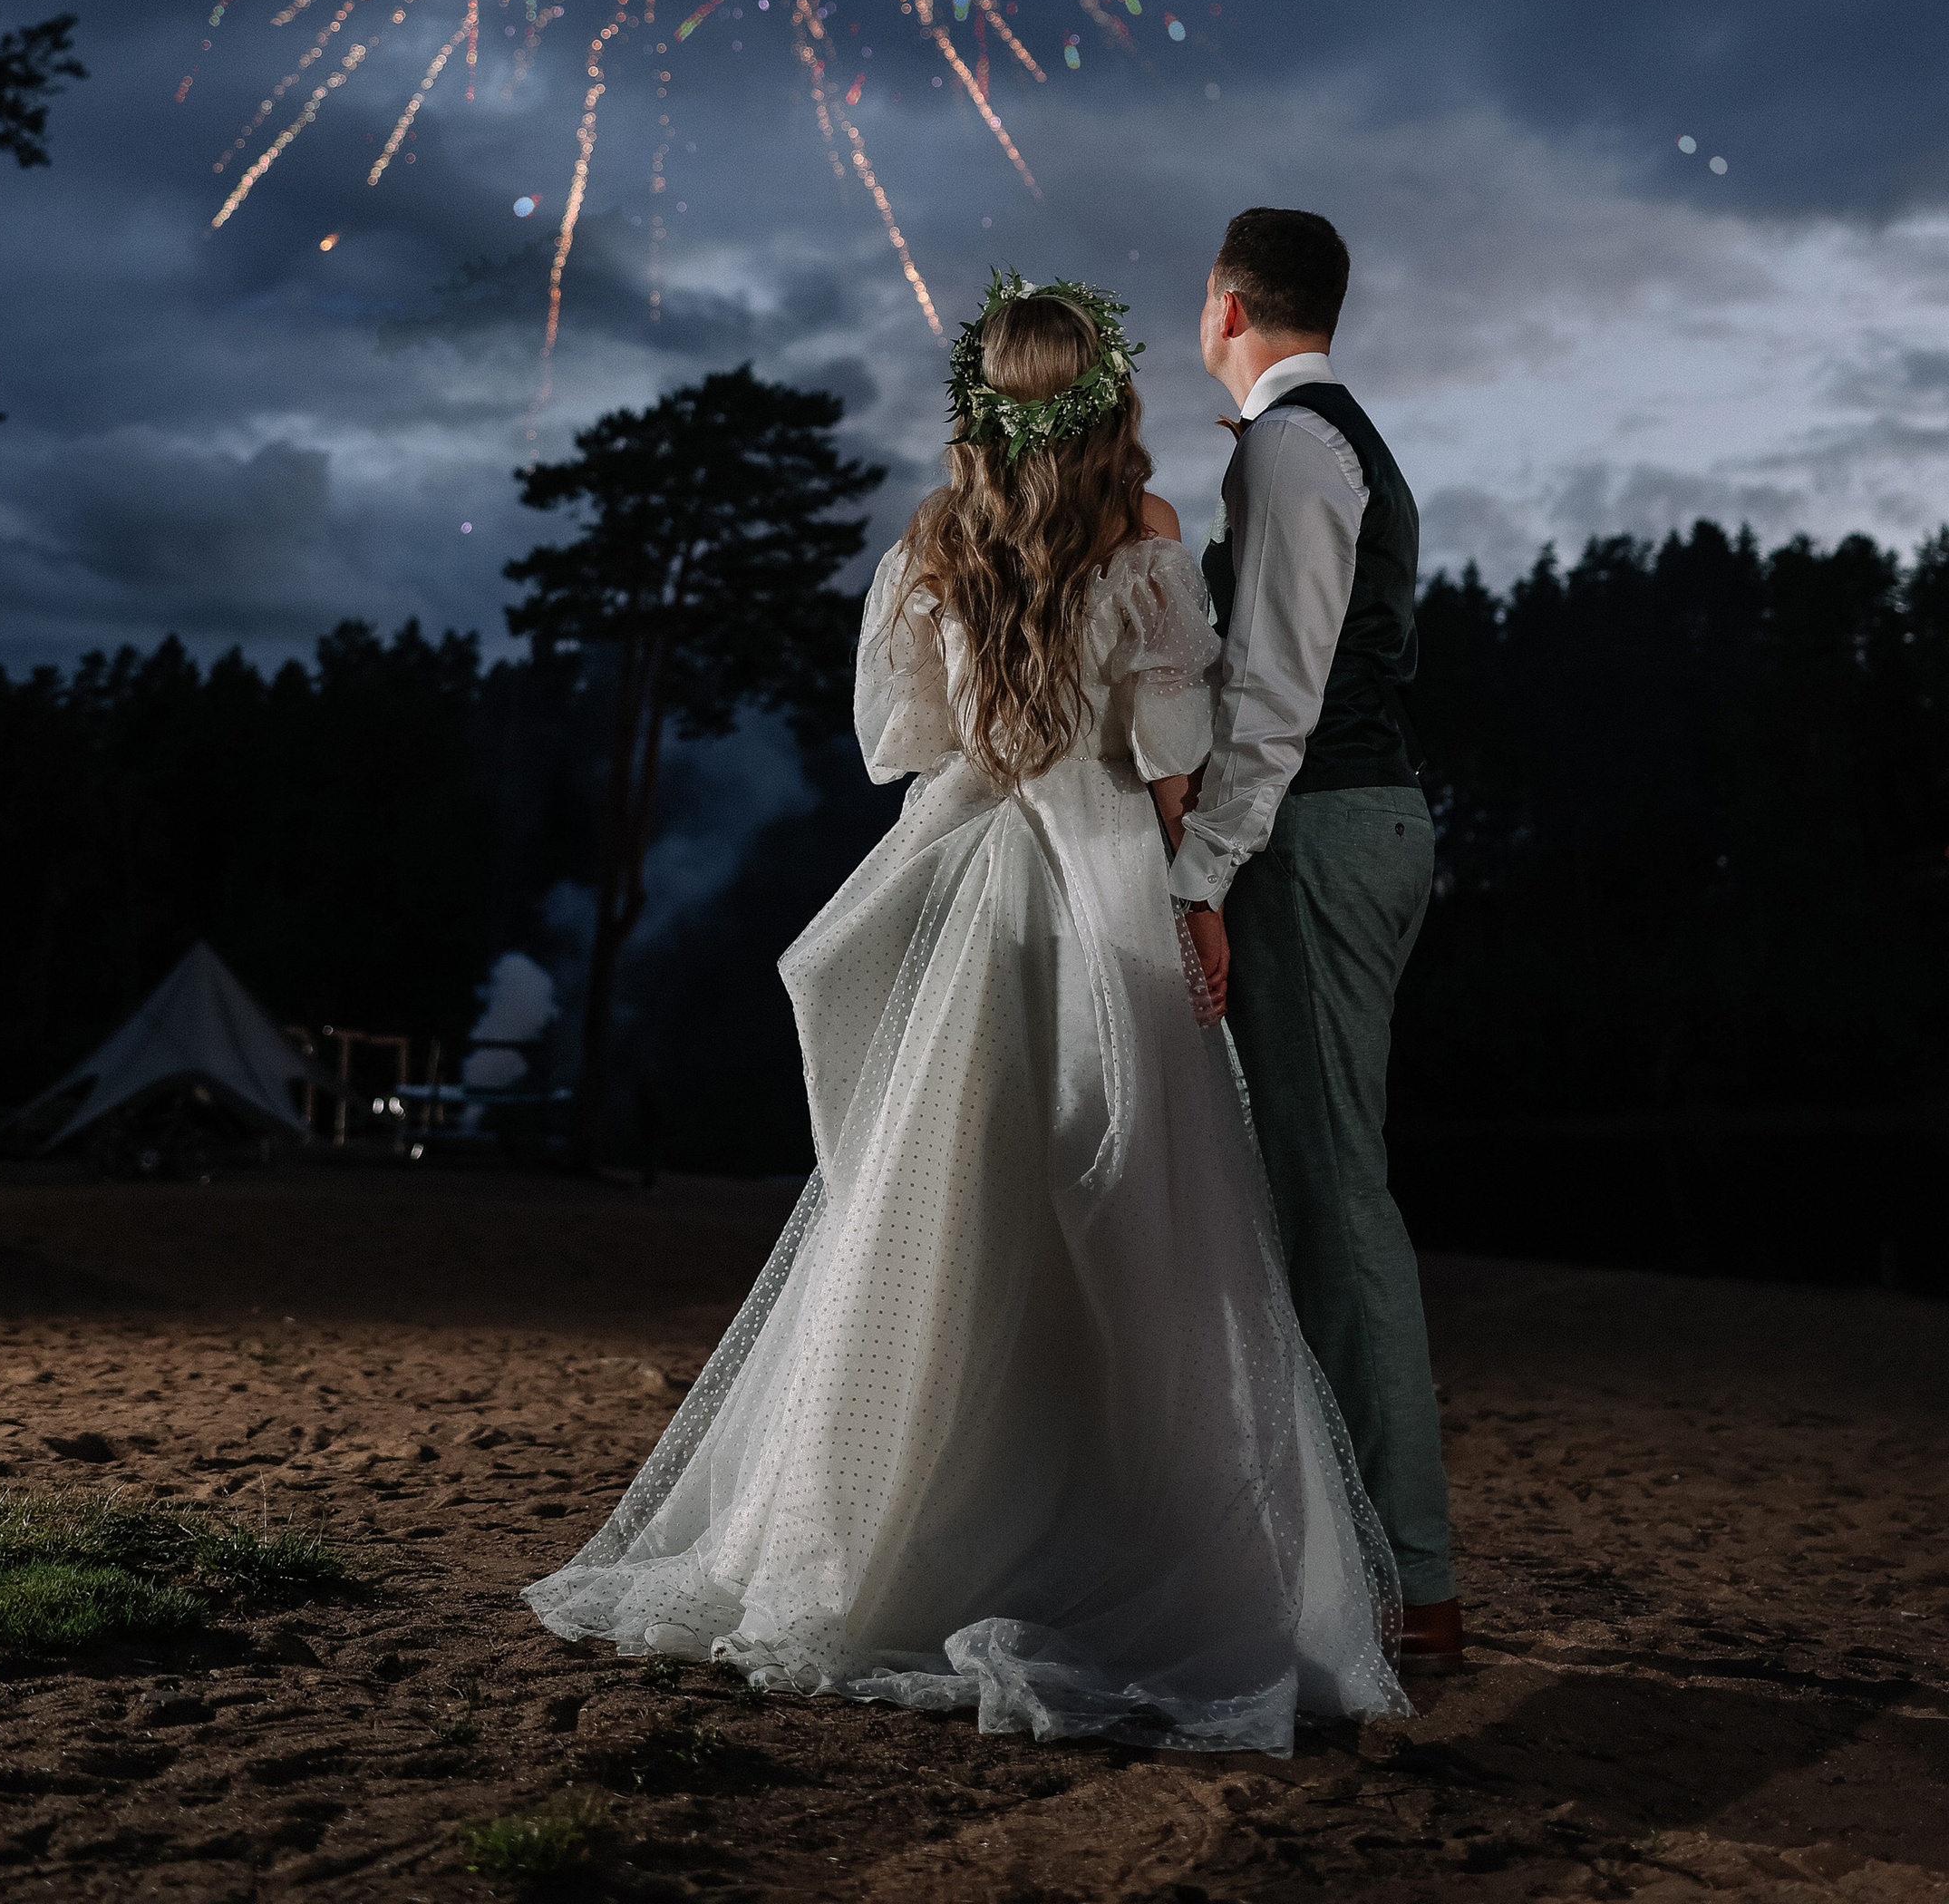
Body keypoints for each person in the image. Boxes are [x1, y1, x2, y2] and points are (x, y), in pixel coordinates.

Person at [526, 271, 1408, 1749]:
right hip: (1107, 881)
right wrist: (1199, 896)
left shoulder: (935, 545)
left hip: (975, 882)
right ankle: (1106, 1529)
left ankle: (902, 1534)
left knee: (946, 1211)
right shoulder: (1146, 540)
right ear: (1109, 391)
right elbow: (1170, 748)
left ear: (981, 401)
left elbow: (904, 740)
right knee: (1132, 1219)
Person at [1169, 206, 1461, 1671]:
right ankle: (1356, 1557)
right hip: (1366, 823)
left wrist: (1202, 870)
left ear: (1228, 309)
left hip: (1322, 831)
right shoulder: (1343, 440)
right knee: (1317, 1188)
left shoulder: (1286, 449)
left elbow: (1274, 696)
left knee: (1335, 1196)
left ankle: (1410, 1587)